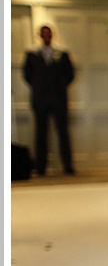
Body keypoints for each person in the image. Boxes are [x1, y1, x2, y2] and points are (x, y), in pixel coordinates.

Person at [23, 25, 75, 175]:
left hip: (59, 98)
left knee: (63, 132)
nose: (47, 36)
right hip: (40, 99)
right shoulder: (32, 54)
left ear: (52, 35)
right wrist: (38, 86)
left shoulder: (62, 53)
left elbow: (70, 73)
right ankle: (41, 167)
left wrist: (60, 85)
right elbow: (27, 75)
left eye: (49, 33)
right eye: (44, 34)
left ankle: (67, 165)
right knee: (41, 133)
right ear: (40, 35)